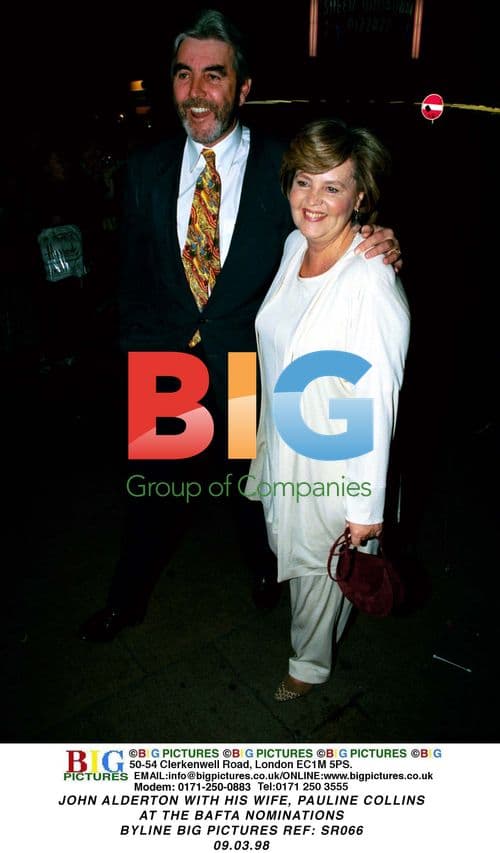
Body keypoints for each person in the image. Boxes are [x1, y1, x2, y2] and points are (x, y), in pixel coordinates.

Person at [79, 9, 403, 642]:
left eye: (213, 75)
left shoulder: (285, 168)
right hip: (163, 363)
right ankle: (126, 598)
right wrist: (137, 353)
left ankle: (264, 572)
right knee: (151, 498)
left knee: (247, 490)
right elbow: (134, 273)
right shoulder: (144, 168)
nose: (197, 92)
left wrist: (378, 237)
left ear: (243, 86)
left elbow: (327, 223)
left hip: (244, 366)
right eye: (183, 75)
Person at [245, 118, 410, 700]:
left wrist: (365, 509)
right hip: (283, 445)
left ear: (360, 195)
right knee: (299, 560)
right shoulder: (295, 247)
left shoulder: (371, 283)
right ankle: (315, 639)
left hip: (332, 463)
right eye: (303, 181)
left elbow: (378, 398)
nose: (313, 200)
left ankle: (307, 668)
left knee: (319, 572)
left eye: (332, 186)